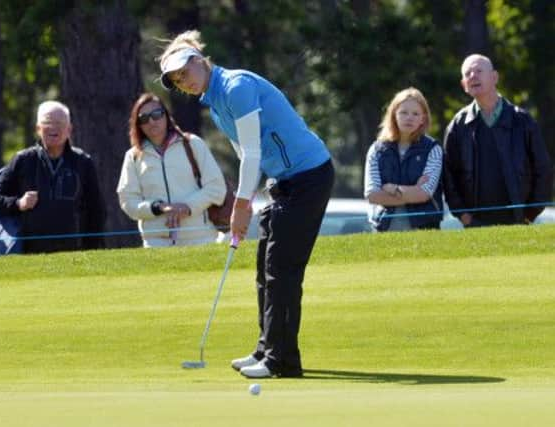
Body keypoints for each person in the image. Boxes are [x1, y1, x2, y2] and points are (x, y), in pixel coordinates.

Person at [159, 30, 334, 378]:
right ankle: (267, 348)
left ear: (200, 60)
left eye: (185, 73)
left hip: (309, 176)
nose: (184, 83)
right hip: (283, 182)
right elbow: (244, 152)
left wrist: (240, 203)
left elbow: (252, 151)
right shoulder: (215, 99)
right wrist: (249, 198)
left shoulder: (236, 87)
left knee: (281, 272)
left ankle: (281, 360)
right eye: (177, 81)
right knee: (265, 270)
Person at [443, 54, 552, 227]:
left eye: (479, 70)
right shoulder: (457, 126)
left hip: (519, 223)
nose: (473, 76)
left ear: (495, 77)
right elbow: (449, 177)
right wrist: (464, 216)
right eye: (468, 73)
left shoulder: (523, 121)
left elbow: (543, 170)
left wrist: (529, 215)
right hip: (475, 226)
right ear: (464, 85)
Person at [0, 100, 106, 254]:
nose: (54, 128)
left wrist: (93, 250)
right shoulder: (23, 159)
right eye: (48, 122)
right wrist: (19, 203)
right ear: (38, 128)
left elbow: (97, 211)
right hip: (30, 255)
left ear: (69, 129)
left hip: (74, 254)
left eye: (60, 123)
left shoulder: (83, 161)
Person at [116, 93, 226, 247]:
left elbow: (217, 188)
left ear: (166, 116)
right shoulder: (133, 157)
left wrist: (187, 207)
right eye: (144, 118)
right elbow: (127, 201)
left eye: (157, 114)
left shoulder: (193, 144)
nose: (152, 121)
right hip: (155, 244)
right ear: (138, 124)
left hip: (200, 239)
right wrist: (156, 207)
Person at [364, 87, 443, 232]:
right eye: (404, 112)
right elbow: (372, 195)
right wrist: (413, 192)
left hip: (424, 229)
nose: (409, 118)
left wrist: (392, 189)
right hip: (384, 229)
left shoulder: (433, 149)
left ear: (423, 118)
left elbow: (425, 194)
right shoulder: (376, 150)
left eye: (415, 113)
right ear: (394, 115)